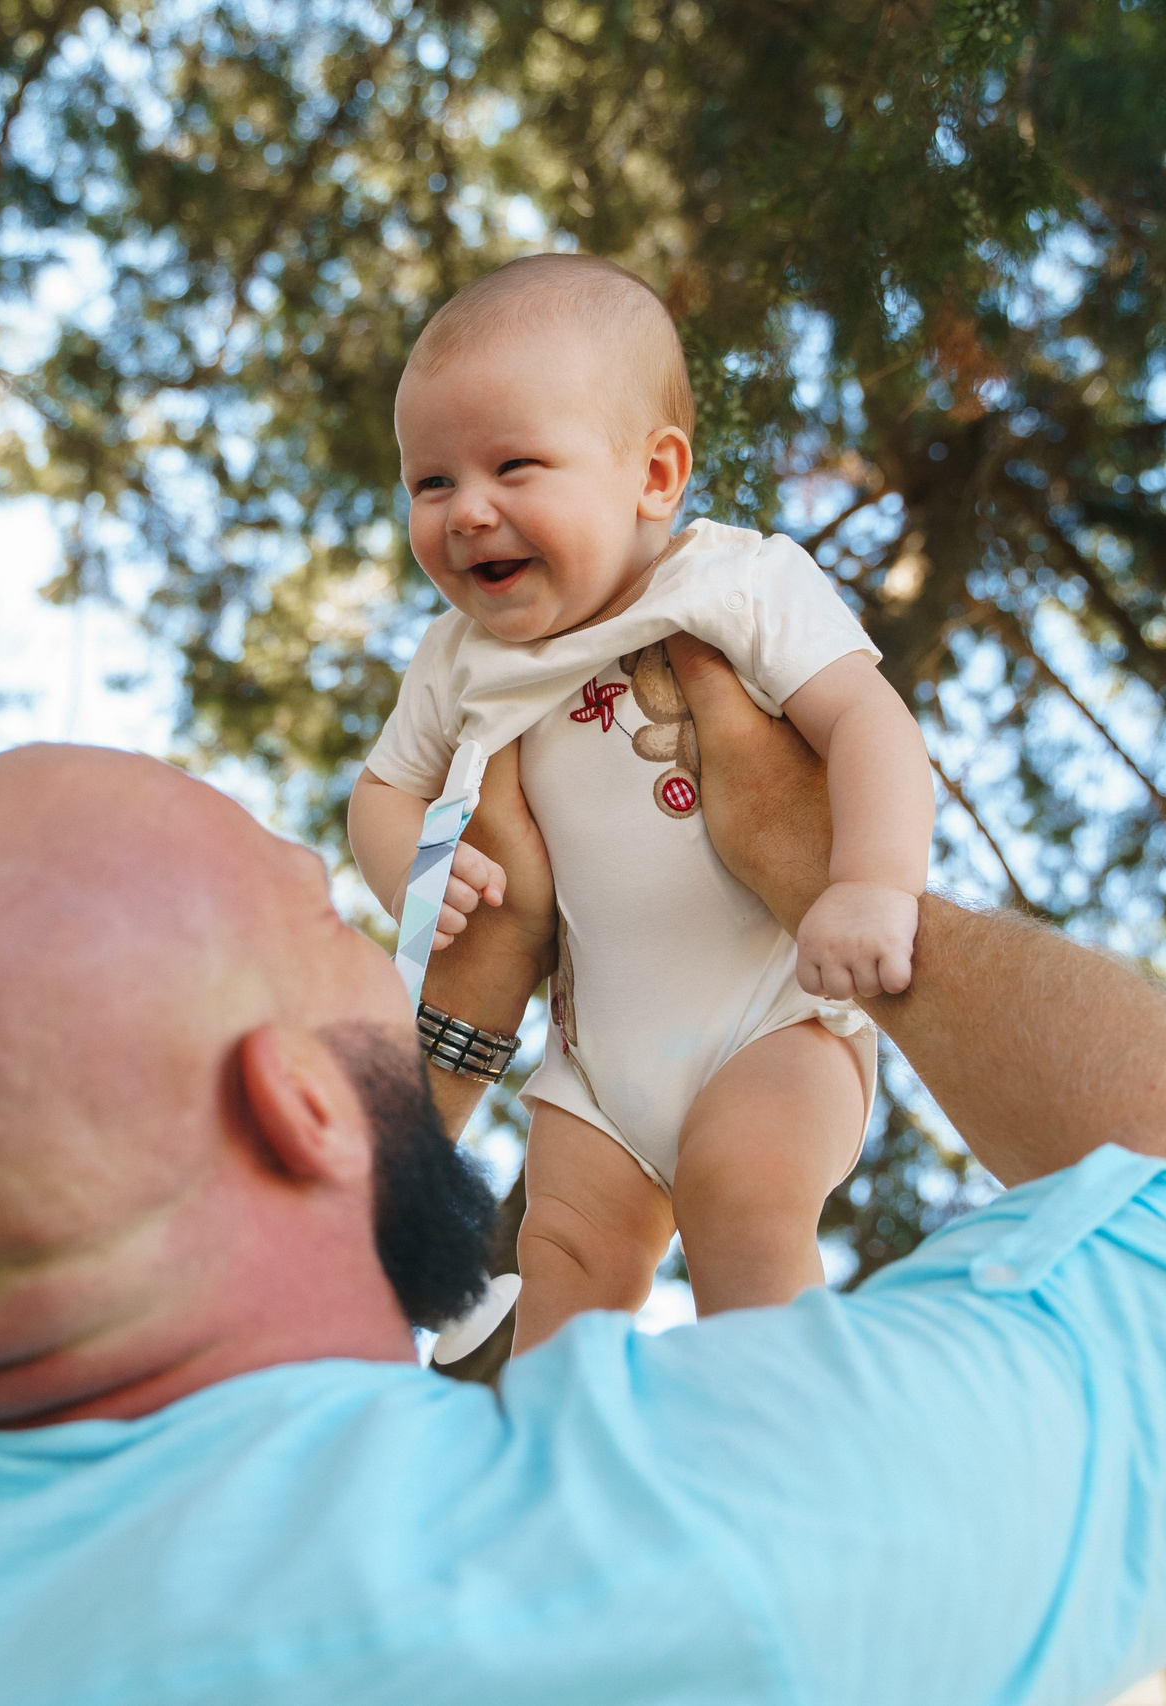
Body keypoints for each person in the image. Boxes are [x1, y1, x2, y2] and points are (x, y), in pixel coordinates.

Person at [0, 656, 1166, 1706]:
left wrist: (455, 1031)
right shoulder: (646, 1548)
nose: (390, 935)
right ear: (298, 1109)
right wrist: (814, 861)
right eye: (328, 917)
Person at [350, 254, 934, 1357]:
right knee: (559, 1264)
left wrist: (871, 884)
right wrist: (419, 868)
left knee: (743, 1198)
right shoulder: (456, 656)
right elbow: (381, 791)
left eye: (513, 465)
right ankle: (552, 1479)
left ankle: (772, 1443)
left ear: (653, 474)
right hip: (596, 1064)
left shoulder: (732, 583)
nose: (467, 511)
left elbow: (870, 721)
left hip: (776, 1014)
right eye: (429, 483)